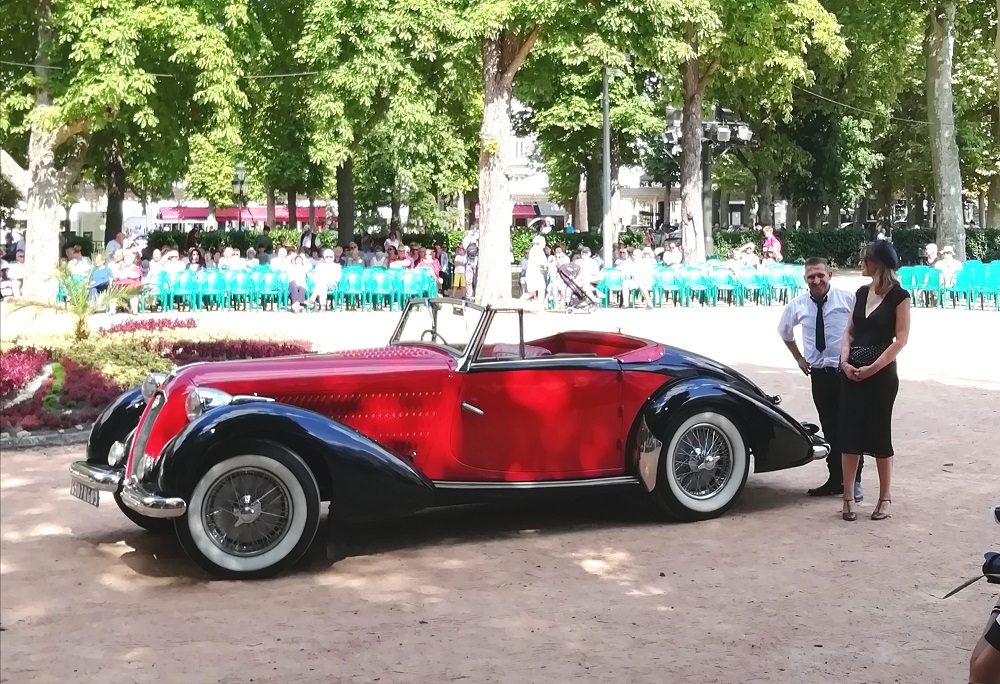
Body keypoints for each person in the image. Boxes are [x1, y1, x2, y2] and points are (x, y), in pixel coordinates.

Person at [777, 257, 862, 502]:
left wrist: (855, 358)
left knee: (850, 427)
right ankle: (836, 479)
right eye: (810, 277)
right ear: (805, 279)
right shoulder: (798, 305)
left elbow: (861, 329)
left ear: (830, 275)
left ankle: (854, 481)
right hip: (820, 376)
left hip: (844, 373)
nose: (816, 280)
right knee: (830, 428)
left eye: (820, 275)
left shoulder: (847, 300)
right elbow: (784, 331)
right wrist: (799, 359)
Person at [838, 240, 911, 522]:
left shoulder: (899, 296)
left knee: (880, 434)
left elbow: (900, 340)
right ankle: (847, 498)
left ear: (876, 263)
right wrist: (844, 362)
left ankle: (885, 497)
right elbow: (849, 332)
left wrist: (872, 368)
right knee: (849, 434)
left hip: (881, 375)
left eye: (863, 260)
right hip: (852, 371)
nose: (860, 264)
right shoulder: (860, 292)